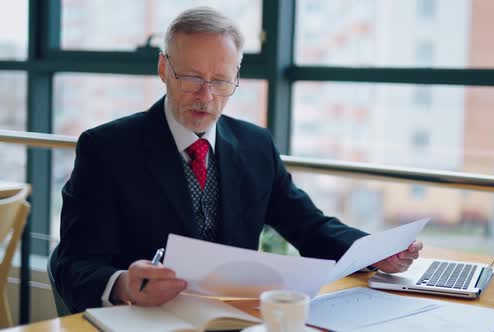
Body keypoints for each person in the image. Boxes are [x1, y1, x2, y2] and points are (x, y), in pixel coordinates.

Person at [55, 7, 423, 313]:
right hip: (145, 321)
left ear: (236, 77)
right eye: (192, 77)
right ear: (164, 69)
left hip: (237, 320)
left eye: (220, 80)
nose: (206, 95)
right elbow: (70, 264)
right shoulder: (106, 149)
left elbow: (309, 227)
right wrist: (122, 285)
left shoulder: (255, 145)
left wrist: (374, 253)